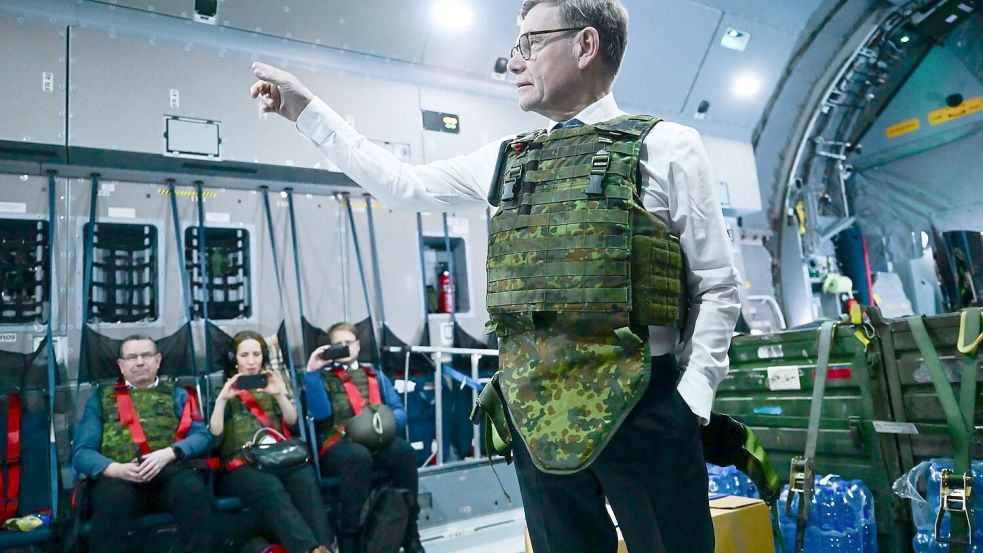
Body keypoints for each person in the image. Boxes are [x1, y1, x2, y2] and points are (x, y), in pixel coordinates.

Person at [250, 0, 741, 551]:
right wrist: (308, 112)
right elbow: (401, 184)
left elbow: (717, 285)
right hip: (536, 407)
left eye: (531, 43)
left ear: (585, 46)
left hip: (644, 409)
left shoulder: (667, 146)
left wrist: (690, 401)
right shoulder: (506, 158)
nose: (515, 63)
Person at [73, 334, 215, 553]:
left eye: (146, 355)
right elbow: (82, 453)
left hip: (169, 474)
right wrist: (117, 469)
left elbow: (201, 436)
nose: (140, 362)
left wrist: (169, 453)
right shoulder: (100, 399)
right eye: (132, 357)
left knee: (192, 489)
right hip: (119, 480)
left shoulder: (179, 395)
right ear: (120, 365)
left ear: (158, 360)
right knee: (113, 500)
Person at [303, 323, 424, 553]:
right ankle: (349, 537)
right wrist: (312, 372)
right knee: (358, 457)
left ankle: (410, 532)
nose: (344, 347)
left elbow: (399, 411)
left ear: (358, 345)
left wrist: (385, 424)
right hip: (340, 445)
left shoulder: (375, 376)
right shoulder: (323, 378)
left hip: (377, 439)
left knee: (404, 452)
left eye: (348, 343)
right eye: (338, 345)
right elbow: (320, 415)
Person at [209, 331, 334, 553]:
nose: (250, 361)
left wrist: (279, 395)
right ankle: (311, 550)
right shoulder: (222, 389)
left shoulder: (272, 383)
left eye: (256, 354)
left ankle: (324, 547)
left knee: (304, 477)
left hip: (277, 457)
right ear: (234, 359)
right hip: (239, 466)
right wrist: (222, 401)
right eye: (244, 355)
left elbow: (294, 424)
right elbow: (214, 438)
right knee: (270, 487)